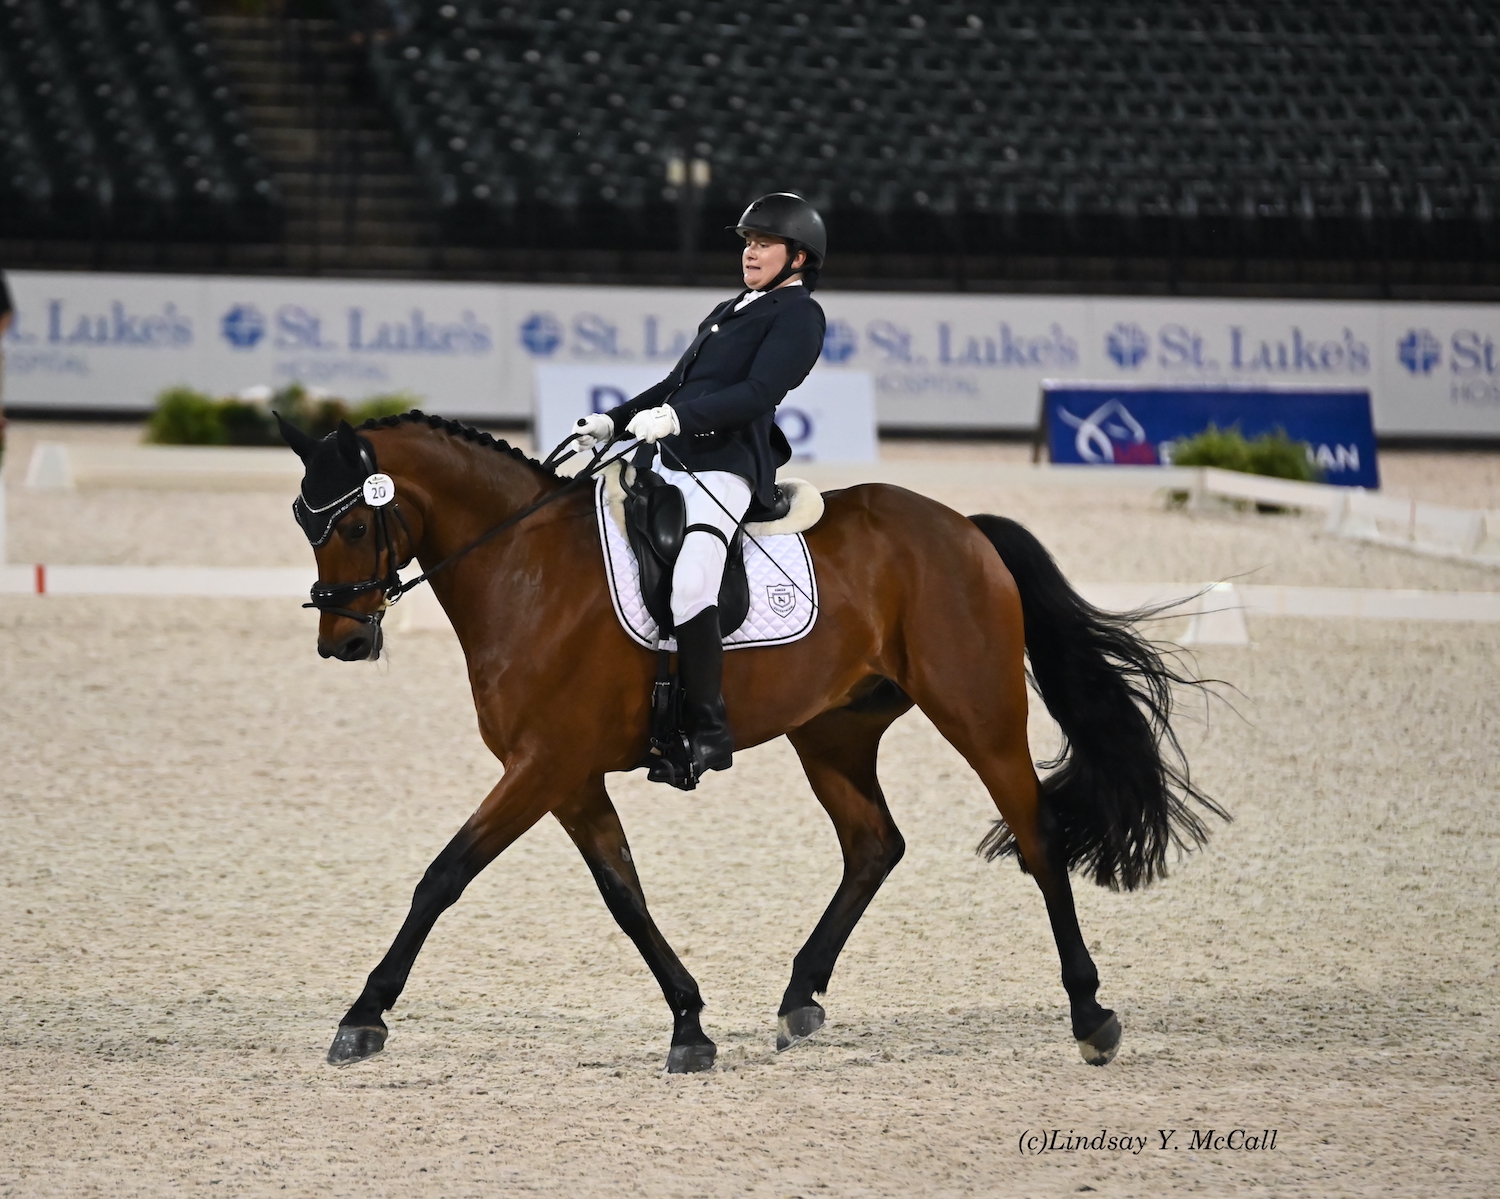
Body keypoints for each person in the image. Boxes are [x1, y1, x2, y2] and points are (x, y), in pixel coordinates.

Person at [574, 192, 827, 778]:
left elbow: (760, 393)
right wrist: (614, 420)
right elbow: (676, 382)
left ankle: (709, 730)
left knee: (692, 582)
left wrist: (681, 419)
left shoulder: (798, 316)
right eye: (747, 242)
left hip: (727, 467)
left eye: (764, 243)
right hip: (671, 458)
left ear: (798, 257)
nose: (751, 251)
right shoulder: (733, 306)